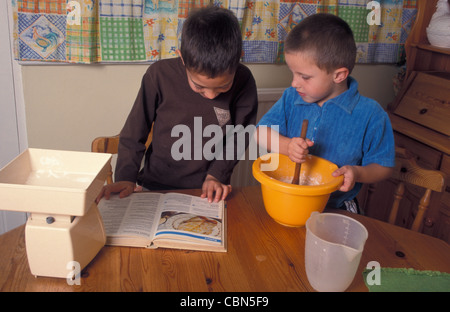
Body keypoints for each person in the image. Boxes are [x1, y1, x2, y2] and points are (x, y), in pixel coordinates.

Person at [97, 6, 258, 203]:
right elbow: (134, 132)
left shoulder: (244, 80)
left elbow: (240, 135)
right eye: (199, 86)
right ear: (182, 58)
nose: (210, 95)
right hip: (154, 184)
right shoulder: (159, 75)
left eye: (223, 87)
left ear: (238, 57)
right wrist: (125, 177)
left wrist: (216, 175)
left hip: (206, 188)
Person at [256, 13, 395, 213]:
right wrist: (287, 146)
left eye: (304, 76)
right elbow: (260, 133)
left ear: (338, 75)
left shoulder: (371, 114)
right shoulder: (291, 98)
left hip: (337, 208)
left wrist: (357, 172)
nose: (294, 83)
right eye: (292, 73)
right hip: (288, 198)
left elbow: (384, 166)